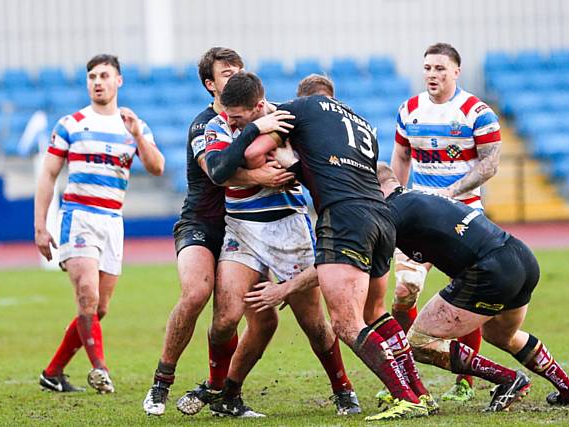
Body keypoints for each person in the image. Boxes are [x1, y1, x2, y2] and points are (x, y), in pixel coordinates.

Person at [242, 74, 432, 421]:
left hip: (344, 218)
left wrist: (260, 137)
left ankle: (407, 397)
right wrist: (298, 166)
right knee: (376, 315)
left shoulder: (299, 108)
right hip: (381, 218)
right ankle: (420, 391)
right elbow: (339, 173)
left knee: (346, 323)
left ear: (302, 98)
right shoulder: (361, 123)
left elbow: (254, 149)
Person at [175, 71, 361, 418]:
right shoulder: (218, 124)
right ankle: (222, 391)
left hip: (288, 228)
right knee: (226, 317)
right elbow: (219, 170)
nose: (230, 121)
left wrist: (255, 151)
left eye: (239, 117)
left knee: (314, 324)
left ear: (259, 105)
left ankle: (344, 390)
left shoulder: (285, 118)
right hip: (241, 229)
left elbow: (290, 165)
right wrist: (251, 134)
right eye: (228, 117)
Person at [142, 47, 293, 416]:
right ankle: (161, 382)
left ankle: (225, 394)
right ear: (210, 84)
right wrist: (261, 173)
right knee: (196, 293)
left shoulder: (262, 112)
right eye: (227, 72)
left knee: (262, 318)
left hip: (245, 227)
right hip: (202, 223)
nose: (235, 75)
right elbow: (217, 172)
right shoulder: (202, 125)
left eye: (240, 69)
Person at [377, 162, 569, 411]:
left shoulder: (391, 211)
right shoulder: (418, 196)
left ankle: (509, 380)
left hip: (490, 270)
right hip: (520, 256)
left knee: (418, 341)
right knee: (502, 336)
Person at [35, 54, 165, 394]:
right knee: (87, 296)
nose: (97, 81)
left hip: (113, 221)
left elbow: (157, 167)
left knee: (99, 308)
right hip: (79, 216)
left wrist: (138, 134)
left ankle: (53, 373)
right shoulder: (72, 123)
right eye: (92, 76)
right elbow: (48, 175)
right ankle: (100, 369)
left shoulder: (134, 124)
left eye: (104, 75)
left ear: (118, 81)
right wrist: (40, 225)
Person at [390, 43, 502, 401]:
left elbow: (490, 164)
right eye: (427, 68)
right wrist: (395, 200)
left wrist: (452, 192)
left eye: (439, 68)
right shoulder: (409, 110)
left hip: (463, 216)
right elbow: (401, 157)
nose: (432, 75)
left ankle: (465, 383)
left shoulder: (477, 112)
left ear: (456, 71)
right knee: (404, 291)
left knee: (464, 299)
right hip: (418, 216)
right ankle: (407, 375)